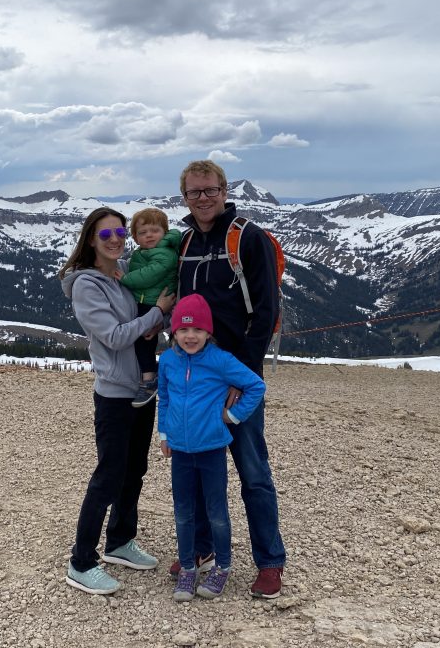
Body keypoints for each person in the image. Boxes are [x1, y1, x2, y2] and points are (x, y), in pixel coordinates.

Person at [173, 159, 287, 598]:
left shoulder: (247, 237)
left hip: (235, 373)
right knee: (200, 466)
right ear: (184, 196)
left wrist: (243, 375)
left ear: (224, 191)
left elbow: (266, 311)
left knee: (252, 470)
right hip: (197, 377)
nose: (202, 198)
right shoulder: (185, 242)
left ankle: (270, 561)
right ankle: (202, 548)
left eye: (210, 190)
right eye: (194, 192)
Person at [58, 206, 177, 595]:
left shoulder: (124, 272)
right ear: (91, 240)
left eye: (120, 234)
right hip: (114, 393)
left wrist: (155, 321)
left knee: (135, 469)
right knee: (109, 475)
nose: (115, 241)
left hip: (143, 387)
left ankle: (120, 541)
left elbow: (147, 321)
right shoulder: (87, 285)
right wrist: (156, 314)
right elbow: (113, 336)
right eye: (106, 235)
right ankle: (81, 561)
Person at [158, 294, 265, 601]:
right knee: (183, 512)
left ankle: (223, 566)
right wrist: (164, 434)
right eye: (183, 329)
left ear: (208, 332)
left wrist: (233, 416)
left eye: (198, 330)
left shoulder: (220, 360)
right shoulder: (168, 361)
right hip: (180, 450)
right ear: (174, 332)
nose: (190, 336)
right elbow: (164, 398)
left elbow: (256, 385)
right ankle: (188, 567)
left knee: (217, 512)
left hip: (212, 450)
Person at [118, 207, 182, 408]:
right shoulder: (146, 252)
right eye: (143, 232)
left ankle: (148, 379)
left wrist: (126, 279)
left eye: (155, 230)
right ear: (136, 238)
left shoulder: (165, 252)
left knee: (143, 340)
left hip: (152, 302)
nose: (149, 235)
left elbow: (150, 275)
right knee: (144, 338)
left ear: (164, 232)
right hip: (148, 300)